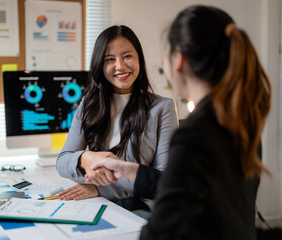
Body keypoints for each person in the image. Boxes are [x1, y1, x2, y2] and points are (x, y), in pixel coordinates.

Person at [89, 5, 272, 239]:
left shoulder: (195, 133)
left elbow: (163, 230)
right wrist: (128, 170)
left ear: (179, 60)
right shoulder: (240, 121)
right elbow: (195, 188)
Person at [56, 25, 178, 211]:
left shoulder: (162, 108)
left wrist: (100, 188)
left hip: (140, 207)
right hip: (96, 205)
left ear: (139, 58)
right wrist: (85, 157)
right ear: (100, 65)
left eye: (127, 56)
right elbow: (63, 161)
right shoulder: (88, 104)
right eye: (109, 59)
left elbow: (164, 180)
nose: (120, 66)